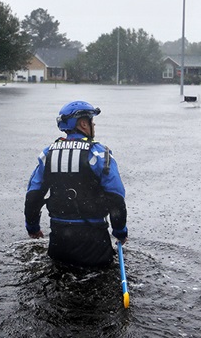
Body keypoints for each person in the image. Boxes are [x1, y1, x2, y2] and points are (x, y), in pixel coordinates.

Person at [24, 100, 128, 268]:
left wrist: (33, 228)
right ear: (83, 124)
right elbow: (116, 198)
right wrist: (120, 232)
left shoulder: (48, 154)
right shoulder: (99, 154)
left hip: (59, 242)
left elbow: (33, 195)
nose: (93, 124)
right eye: (92, 121)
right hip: (94, 244)